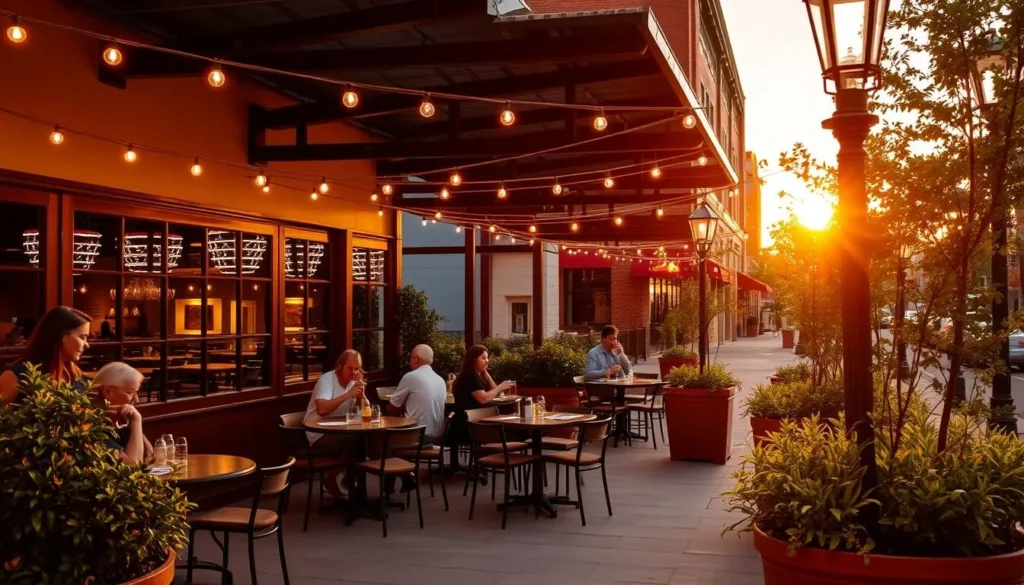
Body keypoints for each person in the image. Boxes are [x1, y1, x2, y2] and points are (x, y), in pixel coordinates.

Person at [303, 349, 366, 499]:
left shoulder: (355, 382)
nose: (353, 372)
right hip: (319, 433)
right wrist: (348, 395)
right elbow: (322, 409)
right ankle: (343, 481)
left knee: (363, 441)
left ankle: (350, 482)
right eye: (350, 368)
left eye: (357, 369)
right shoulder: (327, 379)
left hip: (342, 430)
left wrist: (361, 396)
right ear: (340, 366)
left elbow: (363, 413)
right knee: (352, 443)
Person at [0, 306, 91, 406]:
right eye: (82, 337)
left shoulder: (75, 374)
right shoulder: (15, 377)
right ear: (63, 336)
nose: (87, 345)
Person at [449, 344, 514, 471]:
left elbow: (494, 390)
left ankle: (485, 465)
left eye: (487, 358)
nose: (487, 361)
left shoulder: (476, 375)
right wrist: (500, 387)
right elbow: (483, 398)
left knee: (511, 431)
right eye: (483, 358)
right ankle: (487, 464)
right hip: (467, 425)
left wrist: (485, 372)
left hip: (472, 423)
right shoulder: (470, 376)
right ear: (473, 359)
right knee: (512, 433)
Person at [92, 362, 151, 465]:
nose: (136, 399)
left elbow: (149, 456)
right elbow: (132, 466)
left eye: (137, 392)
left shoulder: (121, 421)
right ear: (108, 392)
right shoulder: (93, 428)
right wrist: (137, 421)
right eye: (130, 392)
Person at [388, 344, 446, 442]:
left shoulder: (411, 377)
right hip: (437, 436)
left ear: (416, 359)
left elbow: (393, 407)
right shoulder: (441, 380)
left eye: (410, 358)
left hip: (417, 436)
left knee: (381, 438)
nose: (409, 361)